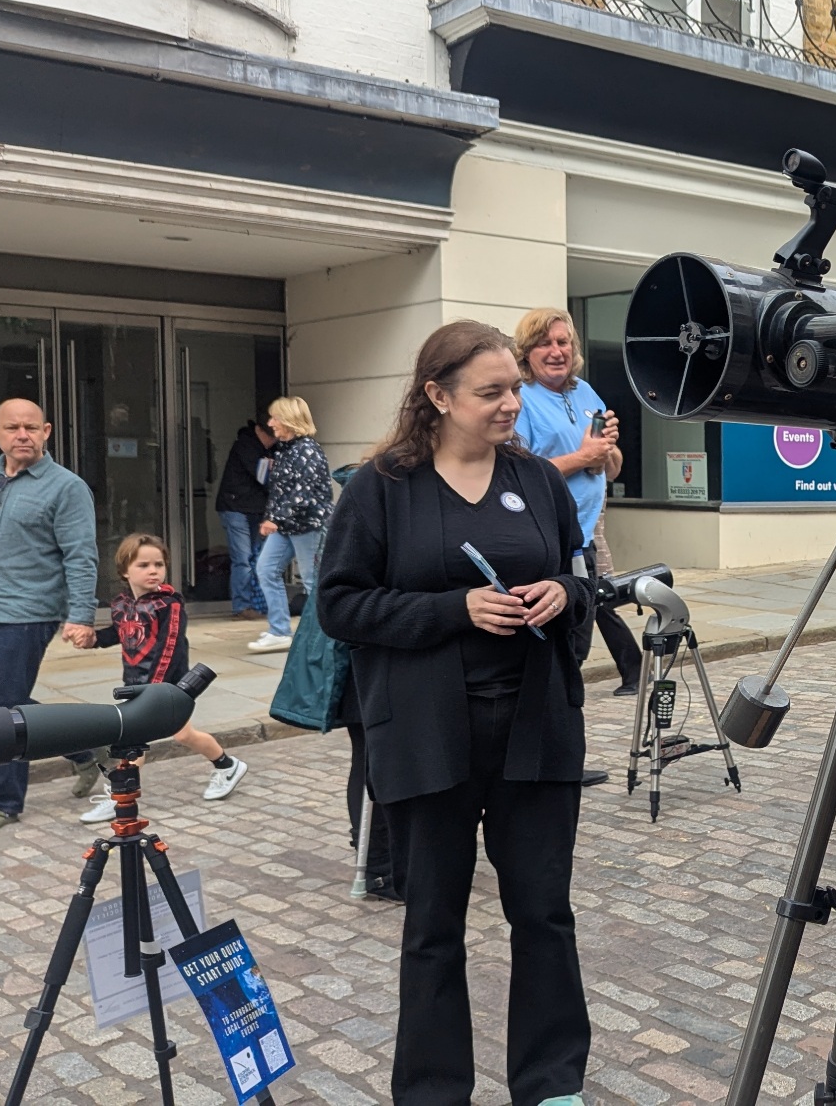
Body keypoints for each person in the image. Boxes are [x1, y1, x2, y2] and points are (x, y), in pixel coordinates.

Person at [317, 320, 594, 1102]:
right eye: (491, 391)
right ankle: (434, 1090)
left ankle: (551, 1082)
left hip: (535, 729)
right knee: (432, 925)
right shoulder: (382, 486)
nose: (512, 403)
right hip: (427, 735)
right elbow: (340, 604)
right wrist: (455, 609)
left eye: (515, 388)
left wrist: (563, 592)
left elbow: (582, 579)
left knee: (543, 913)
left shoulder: (537, 479)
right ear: (437, 395)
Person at [0, 399, 102, 838]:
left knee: (0, 712)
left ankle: (1, 802)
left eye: (31, 428)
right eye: (12, 428)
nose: (22, 435)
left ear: (46, 431)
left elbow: (81, 556)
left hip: (30, 613)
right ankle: (86, 747)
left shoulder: (66, 487)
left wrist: (81, 615)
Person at [70, 534, 250, 823]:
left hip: (167, 687)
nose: (153, 571)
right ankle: (227, 766)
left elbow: (170, 647)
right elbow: (118, 633)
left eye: (159, 564)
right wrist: (92, 640)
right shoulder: (121, 604)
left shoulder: (169, 604)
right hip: (137, 684)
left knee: (133, 741)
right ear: (125, 571)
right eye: (143, 565)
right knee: (184, 735)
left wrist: (155, 689)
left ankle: (118, 798)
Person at [509, 307, 641, 698]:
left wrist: (606, 450)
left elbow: (612, 468)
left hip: (588, 528)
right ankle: (560, 701)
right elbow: (520, 474)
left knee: (591, 607)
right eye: (543, 344)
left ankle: (576, 694)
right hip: (549, 533)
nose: (556, 351)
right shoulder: (521, 400)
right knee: (576, 622)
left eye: (562, 342)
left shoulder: (584, 391)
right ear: (526, 352)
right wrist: (584, 456)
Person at [247, 397, 333, 652]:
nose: (271, 423)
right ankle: (279, 631)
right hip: (287, 526)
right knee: (266, 570)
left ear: (289, 420)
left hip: (308, 526)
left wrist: (275, 519)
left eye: (275, 418)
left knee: (312, 581)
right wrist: (273, 517)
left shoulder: (307, 450)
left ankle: (324, 635)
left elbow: (302, 493)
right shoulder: (285, 449)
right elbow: (280, 492)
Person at [215, 418, 275, 620]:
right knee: (243, 559)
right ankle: (242, 606)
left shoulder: (267, 449)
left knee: (256, 558)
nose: (273, 441)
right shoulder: (246, 446)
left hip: (256, 509)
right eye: (271, 437)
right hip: (235, 508)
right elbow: (263, 477)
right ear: (260, 430)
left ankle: (256, 604)